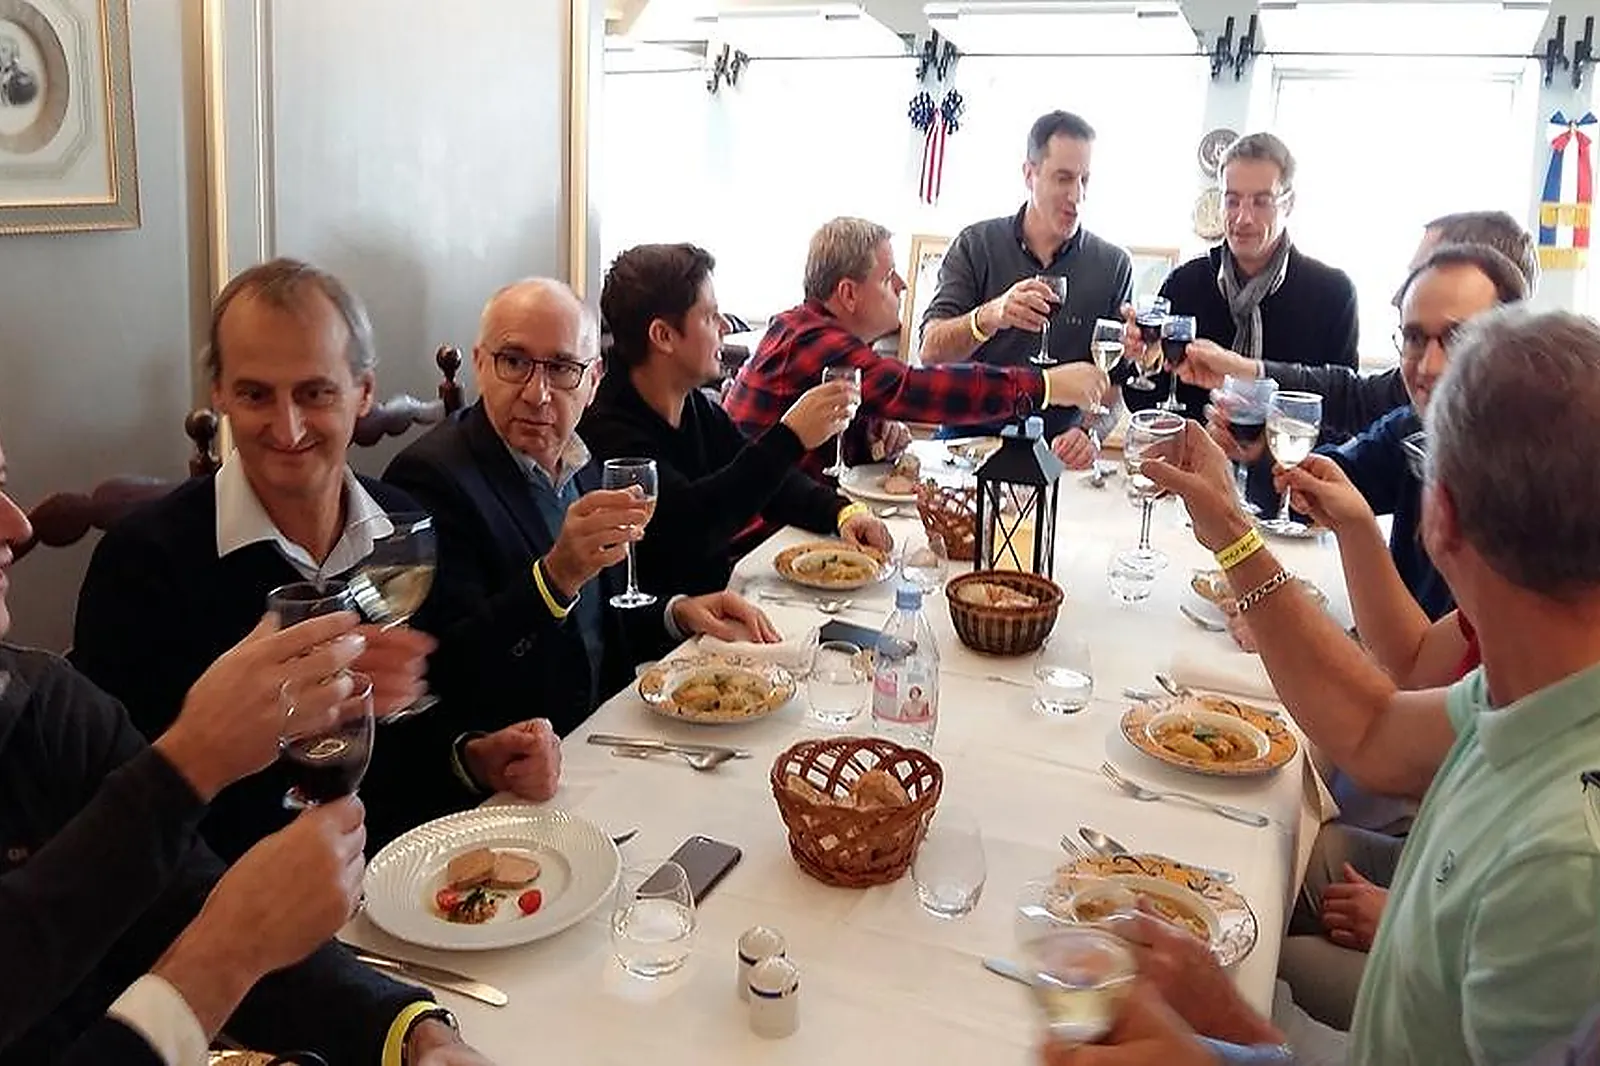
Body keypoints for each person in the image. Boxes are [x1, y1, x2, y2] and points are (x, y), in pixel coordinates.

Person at [1128, 307, 1600, 1064]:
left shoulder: (1560, 868)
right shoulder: (1540, 685)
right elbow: (1374, 728)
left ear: (1437, 518)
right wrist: (1245, 1033)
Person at [0, 444, 492, 1065]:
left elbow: (178, 895)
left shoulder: (42, 702)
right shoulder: (150, 559)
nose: (17, 527)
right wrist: (192, 761)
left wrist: (410, 1031)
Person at [69, 259, 560, 860]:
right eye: (255, 395)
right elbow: (116, 822)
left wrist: (473, 759)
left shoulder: (403, 531)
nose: (288, 426)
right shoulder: (140, 565)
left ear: (363, 392)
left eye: (314, 393)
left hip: (412, 884)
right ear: (219, 394)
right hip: (242, 916)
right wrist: (280, 720)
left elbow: (415, 741)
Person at [386, 278, 779, 745]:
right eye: (514, 362)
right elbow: (452, 669)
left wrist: (677, 612)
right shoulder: (430, 480)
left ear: (592, 382)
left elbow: (596, 619)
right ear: (479, 364)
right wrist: (556, 577)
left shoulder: (583, 459)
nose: (537, 393)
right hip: (524, 763)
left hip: (612, 724)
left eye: (561, 368)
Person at [581, 242, 891, 598]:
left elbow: (771, 485)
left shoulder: (695, 406)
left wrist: (845, 513)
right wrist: (790, 436)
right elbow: (693, 527)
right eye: (710, 316)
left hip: (717, 606)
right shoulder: (607, 428)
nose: (725, 325)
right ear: (663, 336)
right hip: (663, 635)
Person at [724, 217, 1109, 477]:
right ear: (848, 294)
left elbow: (825, 447)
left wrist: (873, 436)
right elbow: (915, 389)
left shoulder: (814, 333)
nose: (902, 286)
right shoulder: (812, 341)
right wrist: (1046, 386)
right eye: (888, 277)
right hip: (750, 544)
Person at [1121, 133, 1357, 510]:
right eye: (1232, 200)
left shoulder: (1332, 293)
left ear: (1289, 203)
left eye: (1261, 202)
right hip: (1189, 496)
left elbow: (1343, 419)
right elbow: (1143, 401)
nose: (1243, 218)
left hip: (1289, 503)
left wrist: (1264, 448)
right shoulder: (1186, 282)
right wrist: (1142, 359)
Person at [1180, 210, 1539, 440]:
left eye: (1422, 274)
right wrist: (1243, 371)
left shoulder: (1535, 459)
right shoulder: (1420, 417)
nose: (1400, 296)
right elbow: (1353, 397)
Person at [918, 110, 1132, 462]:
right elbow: (931, 351)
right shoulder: (975, 244)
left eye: (1085, 180)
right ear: (1029, 174)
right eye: (1063, 178)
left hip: (1053, 457)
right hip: (965, 447)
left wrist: (1090, 432)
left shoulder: (1113, 265)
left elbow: (1114, 384)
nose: (1076, 196)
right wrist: (990, 316)